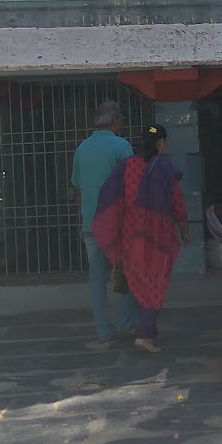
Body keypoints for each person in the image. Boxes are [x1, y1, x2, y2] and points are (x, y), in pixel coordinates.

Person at [92, 123, 189, 353]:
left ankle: (148, 330)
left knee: (140, 280)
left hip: (131, 234)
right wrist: (185, 230)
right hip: (158, 235)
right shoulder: (165, 169)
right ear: (161, 144)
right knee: (155, 281)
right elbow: (178, 206)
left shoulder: (126, 166)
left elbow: (112, 197)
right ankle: (144, 334)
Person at [70, 100, 134, 349]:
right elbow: (131, 184)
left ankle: (102, 331)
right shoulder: (121, 145)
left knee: (96, 277)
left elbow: (78, 188)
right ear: (116, 120)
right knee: (125, 272)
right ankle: (126, 322)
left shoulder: (82, 148)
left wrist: (85, 214)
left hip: (91, 223)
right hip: (118, 223)